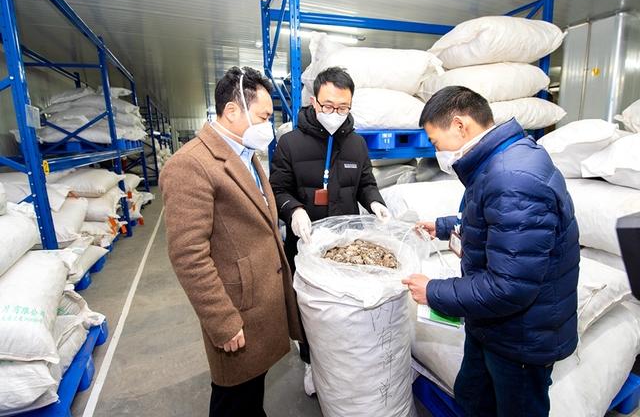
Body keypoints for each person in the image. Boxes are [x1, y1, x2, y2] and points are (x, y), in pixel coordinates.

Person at [402, 86, 580, 417]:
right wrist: (444, 227)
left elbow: (510, 286)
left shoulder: (512, 178)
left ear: (460, 125)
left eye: (436, 142)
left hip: (520, 340)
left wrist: (433, 291)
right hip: (492, 326)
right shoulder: (500, 161)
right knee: (472, 397)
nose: (437, 151)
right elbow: (497, 221)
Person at [160, 66, 303, 417]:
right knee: (232, 397)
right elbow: (188, 254)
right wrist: (222, 321)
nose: (268, 126)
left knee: (251, 391)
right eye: (263, 117)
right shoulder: (190, 164)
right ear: (232, 110)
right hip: (236, 308)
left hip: (260, 301)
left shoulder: (245, 154)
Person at [269, 66, 390, 395]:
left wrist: (375, 202)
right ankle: (310, 362)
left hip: (344, 247)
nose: (335, 113)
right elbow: (278, 189)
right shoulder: (290, 144)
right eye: (328, 106)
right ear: (314, 101)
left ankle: (341, 363)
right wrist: (293, 210)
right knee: (311, 309)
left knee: (342, 308)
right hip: (306, 244)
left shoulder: (356, 144)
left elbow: (365, 183)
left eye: (343, 107)